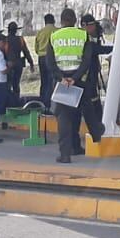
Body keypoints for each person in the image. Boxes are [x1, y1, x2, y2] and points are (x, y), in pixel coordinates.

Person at [48, 9, 104, 163]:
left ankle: (65, 155)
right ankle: (97, 135)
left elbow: (50, 62)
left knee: (64, 118)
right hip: (79, 80)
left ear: (61, 21)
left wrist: (61, 78)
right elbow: (86, 61)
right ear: (75, 21)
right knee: (88, 109)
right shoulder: (83, 35)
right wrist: (75, 78)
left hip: (62, 82)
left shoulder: (54, 36)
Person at [34, 13, 59, 111]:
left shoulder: (40, 32)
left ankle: (42, 101)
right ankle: (48, 103)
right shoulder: (57, 31)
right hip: (52, 58)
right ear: (54, 21)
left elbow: (36, 48)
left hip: (41, 58)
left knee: (43, 80)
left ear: (45, 21)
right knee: (51, 80)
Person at [4, 21, 33, 104]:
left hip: (8, 64)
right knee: (16, 83)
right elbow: (26, 52)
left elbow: (3, 52)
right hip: (18, 63)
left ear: (8, 30)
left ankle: (8, 101)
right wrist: (31, 62)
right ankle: (16, 101)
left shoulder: (5, 40)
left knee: (8, 84)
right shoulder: (20, 39)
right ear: (16, 30)